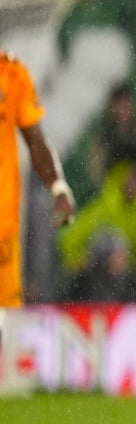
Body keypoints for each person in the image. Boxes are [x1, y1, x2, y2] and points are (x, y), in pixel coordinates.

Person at [0, 50, 75, 332]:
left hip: (5, 234)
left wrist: (58, 186)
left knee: (5, 328)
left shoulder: (12, 75)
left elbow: (36, 141)